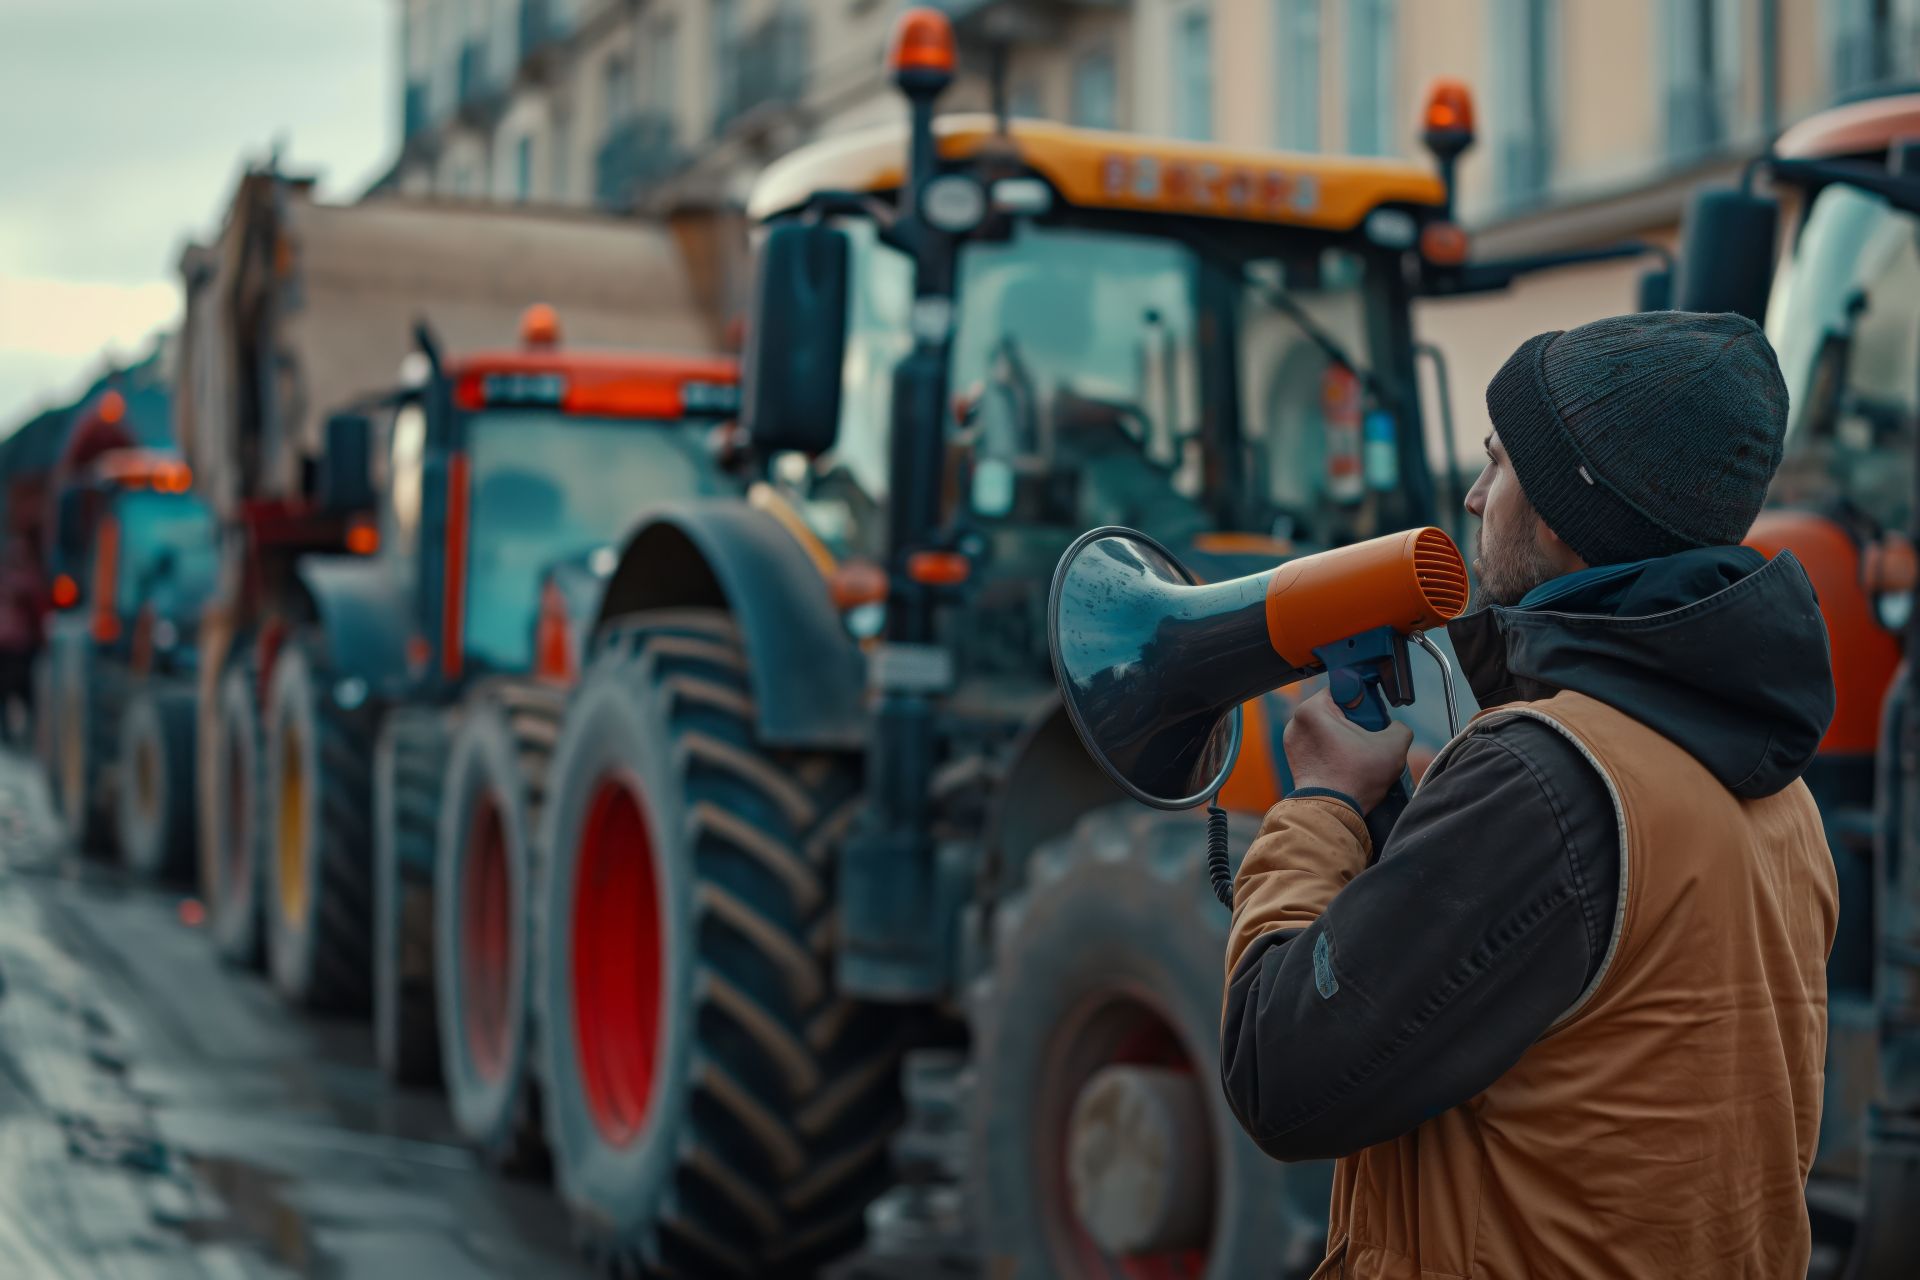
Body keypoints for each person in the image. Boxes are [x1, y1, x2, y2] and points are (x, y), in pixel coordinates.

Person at [1219, 311, 1837, 1278]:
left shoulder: (1539, 783)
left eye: (1498, 464)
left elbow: (1279, 1074)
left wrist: (1325, 803)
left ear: (1558, 507)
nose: (1472, 494)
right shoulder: (1780, 790)